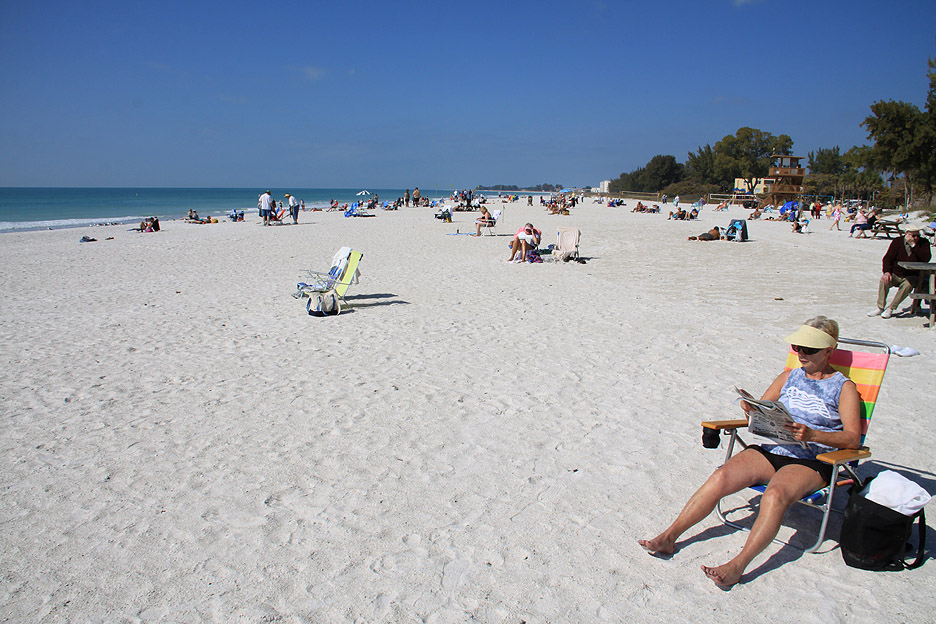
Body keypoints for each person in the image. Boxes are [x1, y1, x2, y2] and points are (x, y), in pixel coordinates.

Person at [639, 316, 861, 587]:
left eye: (809, 349)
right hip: (774, 449)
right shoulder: (788, 376)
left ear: (829, 350)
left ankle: (737, 565)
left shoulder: (843, 388)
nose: (801, 354)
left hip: (812, 459)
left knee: (774, 495)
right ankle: (669, 538)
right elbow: (763, 411)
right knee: (720, 476)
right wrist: (751, 409)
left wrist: (814, 435)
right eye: (797, 347)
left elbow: (853, 439)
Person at [867, 225, 932, 318]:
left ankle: (891, 308)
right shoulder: (897, 241)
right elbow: (888, 258)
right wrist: (886, 272)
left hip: (912, 275)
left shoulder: (923, 243)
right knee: (884, 281)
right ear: (906, 234)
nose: (916, 238)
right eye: (913, 235)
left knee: (907, 285)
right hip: (896, 273)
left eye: (917, 235)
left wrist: (914, 246)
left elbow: (926, 258)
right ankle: (880, 307)